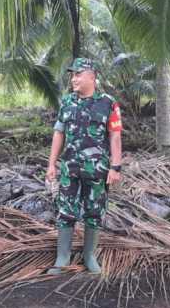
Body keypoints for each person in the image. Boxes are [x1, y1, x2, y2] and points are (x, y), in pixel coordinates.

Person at [45, 58, 123, 275]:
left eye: (78, 74)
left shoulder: (108, 103)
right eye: (72, 75)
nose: (73, 79)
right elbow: (58, 133)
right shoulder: (67, 102)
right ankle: (63, 257)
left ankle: (89, 256)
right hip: (70, 168)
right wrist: (52, 163)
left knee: (94, 211)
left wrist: (115, 167)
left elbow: (115, 136)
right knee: (65, 210)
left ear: (92, 76)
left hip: (97, 170)